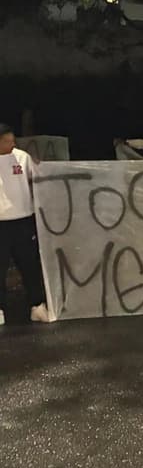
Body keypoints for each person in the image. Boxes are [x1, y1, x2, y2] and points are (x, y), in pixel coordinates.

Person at [0, 124, 49, 325]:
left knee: (30, 265)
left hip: (23, 220)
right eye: (7, 141)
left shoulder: (22, 157)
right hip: (1, 223)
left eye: (13, 140)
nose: (12, 144)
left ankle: (37, 306)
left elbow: (38, 178)